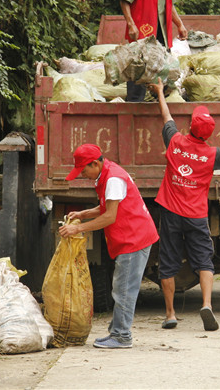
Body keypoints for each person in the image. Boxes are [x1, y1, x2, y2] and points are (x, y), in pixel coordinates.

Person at [149, 79, 220, 331]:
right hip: (196, 216)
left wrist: (160, 92)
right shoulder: (212, 154)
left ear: (190, 127)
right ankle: (207, 304)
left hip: (171, 213)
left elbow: (166, 115)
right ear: (209, 133)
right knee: (205, 261)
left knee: (168, 263)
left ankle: (171, 314)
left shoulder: (174, 142)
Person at [60, 143, 159, 349]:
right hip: (132, 236)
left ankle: (122, 336)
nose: (83, 175)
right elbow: (108, 205)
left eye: (84, 170)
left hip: (134, 238)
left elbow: (110, 216)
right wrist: (83, 213)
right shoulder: (108, 173)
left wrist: (78, 229)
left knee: (124, 289)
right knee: (121, 286)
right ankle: (117, 331)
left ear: (95, 163)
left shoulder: (113, 178)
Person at [120, 0, 189, 102]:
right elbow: (125, 0)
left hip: (161, 32)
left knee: (163, 71)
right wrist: (131, 24)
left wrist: (179, 24)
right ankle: (134, 105)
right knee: (138, 69)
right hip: (141, 32)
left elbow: (169, 5)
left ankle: (160, 105)